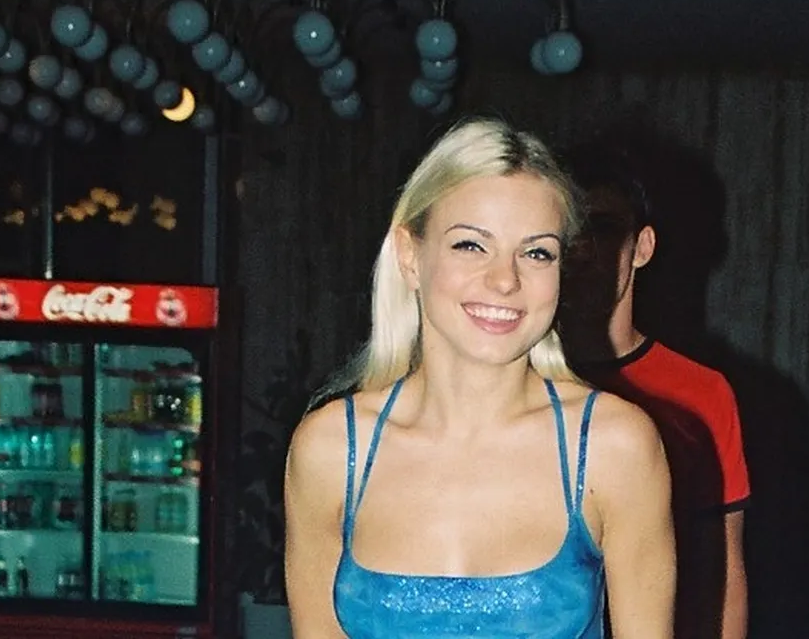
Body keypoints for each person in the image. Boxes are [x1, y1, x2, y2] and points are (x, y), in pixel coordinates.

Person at [283, 118, 675, 638]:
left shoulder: (613, 446)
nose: (505, 279)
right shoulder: (331, 450)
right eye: (471, 245)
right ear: (410, 256)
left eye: (536, 252)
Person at [557, 132, 752, 639]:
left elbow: (722, 568)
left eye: (603, 228)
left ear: (641, 246)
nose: (584, 251)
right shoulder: (524, 381)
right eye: (569, 231)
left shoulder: (701, 393)